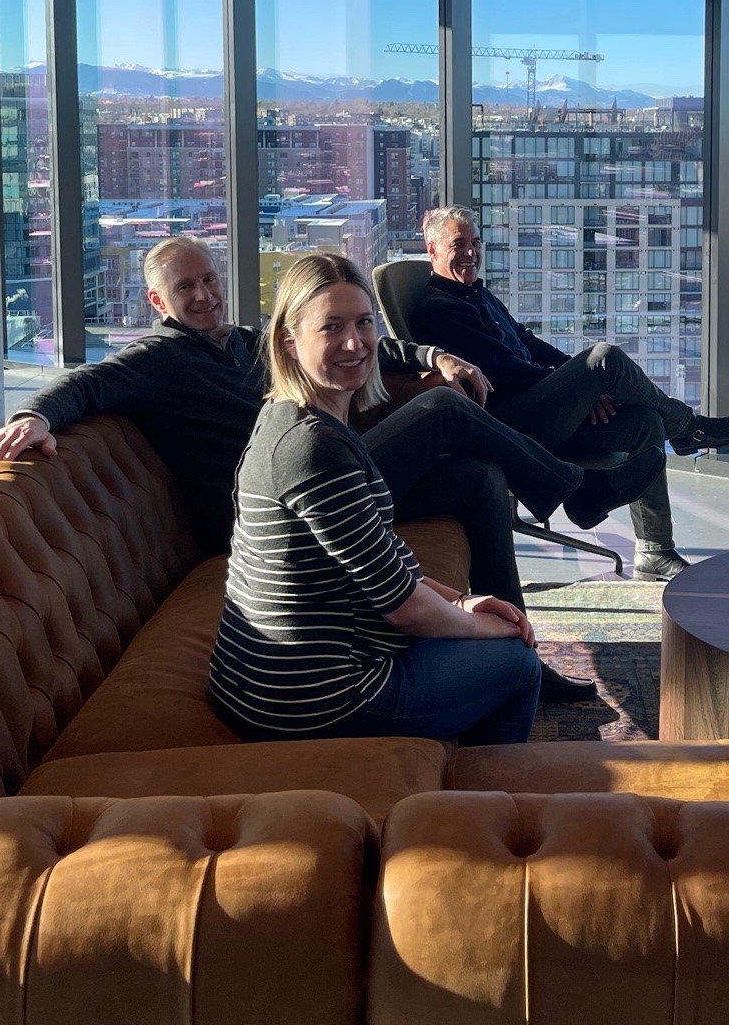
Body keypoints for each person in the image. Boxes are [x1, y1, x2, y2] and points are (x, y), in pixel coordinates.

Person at [0, 236, 644, 699]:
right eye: (186, 288)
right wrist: (33, 416)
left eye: (209, 280)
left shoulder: (241, 344)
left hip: (325, 491)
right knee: (443, 410)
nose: (205, 295)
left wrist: (430, 352)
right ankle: (576, 490)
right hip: (286, 507)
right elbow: (86, 385)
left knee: (479, 479)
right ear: (158, 301)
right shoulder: (157, 359)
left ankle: (520, 645)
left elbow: (357, 340)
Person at [207, 252, 542, 745]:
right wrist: (495, 632)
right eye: (331, 327)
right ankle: (481, 812)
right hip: (309, 701)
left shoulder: (285, 414)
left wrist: (465, 600)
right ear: (289, 342)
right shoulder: (311, 447)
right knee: (518, 663)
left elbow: (376, 563)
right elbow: (404, 609)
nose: (354, 342)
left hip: (254, 684)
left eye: (364, 322)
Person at [406, 206, 729, 582]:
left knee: (645, 422)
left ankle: (655, 551)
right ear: (433, 249)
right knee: (604, 357)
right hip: (511, 424)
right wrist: (580, 384)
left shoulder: (477, 293)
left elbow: (527, 341)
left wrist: (583, 385)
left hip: (541, 408)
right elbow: (505, 369)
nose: (471, 252)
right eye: (459, 243)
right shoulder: (440, 308)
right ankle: (689, 428)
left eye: (475, 242)